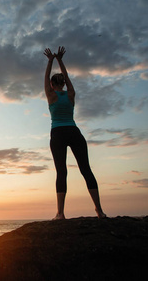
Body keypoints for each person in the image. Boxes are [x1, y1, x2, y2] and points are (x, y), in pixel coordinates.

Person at [44, 46, 106, 219]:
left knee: (61, 172)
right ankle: (99, 210)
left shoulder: (50, 95)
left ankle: (60, 213)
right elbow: (68, 78)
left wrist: (50, 61)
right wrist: (60, 61)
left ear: (52, 84)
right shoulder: (70, 94)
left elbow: (45, 79)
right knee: (86, 170)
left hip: (58, 133)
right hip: (73, 131)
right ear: (63, 83)